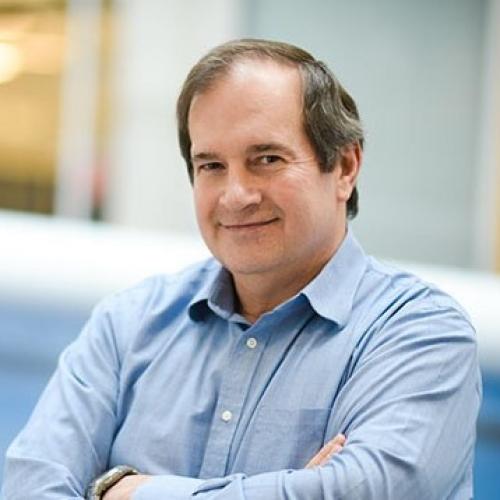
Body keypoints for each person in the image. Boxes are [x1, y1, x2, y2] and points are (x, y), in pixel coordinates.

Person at [2, 39, 481, 500]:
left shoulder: (419, 336)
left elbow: (368, 492)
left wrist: (133, 492)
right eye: (211, 166)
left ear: (344, 167)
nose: (236, 196)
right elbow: (29, 486)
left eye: (267, 159)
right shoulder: (127, 326)